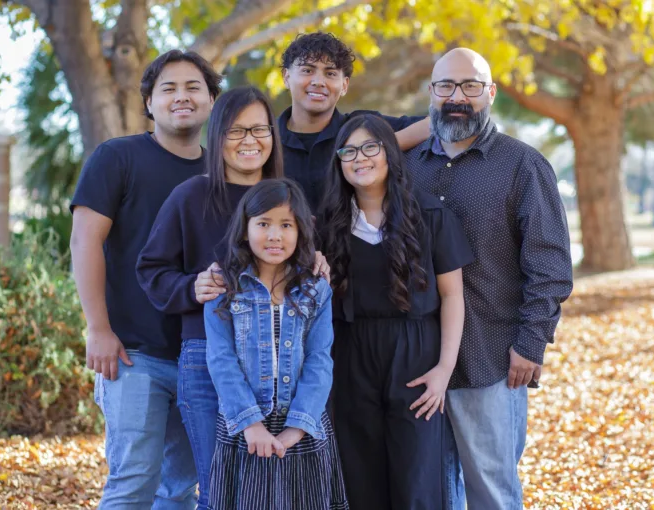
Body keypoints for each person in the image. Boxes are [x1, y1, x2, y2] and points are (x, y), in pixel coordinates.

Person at [404, 48, 574, 510]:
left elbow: (551, 265)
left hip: (491, 360)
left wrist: (531, 343)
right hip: (416, 364)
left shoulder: (523, 166)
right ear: (432, 93)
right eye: (446, 86)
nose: (457, 97)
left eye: (470, 86)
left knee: (492, 495)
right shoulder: (407, 167)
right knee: (432, 495)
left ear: (491, 93)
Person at [69, 49, 221, 509]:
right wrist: (98, 329)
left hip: (202, 356)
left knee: (178, 492)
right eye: (168, 89)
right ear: (149, 102)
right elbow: (84, 242)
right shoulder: (118, 157)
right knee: (133, 483)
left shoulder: (223, 168)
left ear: (212, 100)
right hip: (132, 354)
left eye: (194, 87)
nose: (182, 97)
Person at [135, 86, 285, 509]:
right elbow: (151, 269)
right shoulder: (192, 196)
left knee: (272, 491)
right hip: (206, 359)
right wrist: (191, 287)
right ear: (217, 137)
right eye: (236, 131)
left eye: (259, 129)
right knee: (219, 491)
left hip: (278, 358)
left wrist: (319, 263)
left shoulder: (286, 199)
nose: (249, 140)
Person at [319, 114, 474, 510]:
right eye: (349, 150)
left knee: (417, 478)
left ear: (390, 153)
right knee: (359, 474)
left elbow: (453, 296)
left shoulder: (430, 215)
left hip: (415, 353)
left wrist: (444, 370)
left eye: (371, 147)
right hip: (351, 354)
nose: (360, 158)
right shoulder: (327, 224)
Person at [204, 178, 348, 509]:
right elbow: (221, 360)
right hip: (244, 429)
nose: (274, 235)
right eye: (263, 224)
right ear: (244, 229)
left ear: (300, 233)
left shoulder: (316, 290)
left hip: (302, 424)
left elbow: (319, 360)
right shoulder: (223, 289)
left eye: (287, 225)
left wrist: (297, 428)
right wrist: (251, 426)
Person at [278, 32, 431, 212]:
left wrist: (379, 146)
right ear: (286, 77)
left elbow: (433, 124)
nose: (319, 82)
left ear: (344, 85)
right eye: (307, 70)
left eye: (330, 73)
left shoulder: (363, 128)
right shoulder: (264, 140)